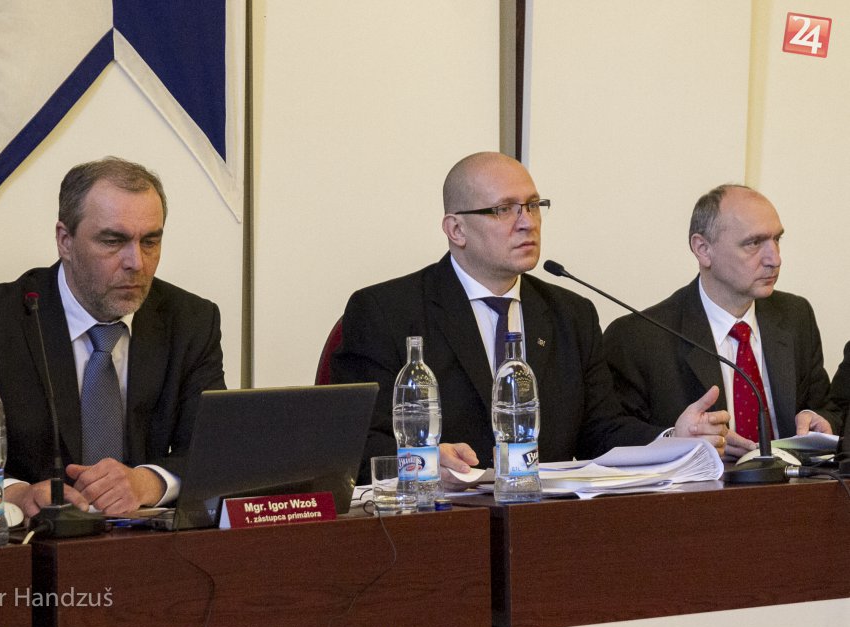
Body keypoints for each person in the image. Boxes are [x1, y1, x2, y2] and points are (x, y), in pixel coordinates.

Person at [331, 151, 729, 484]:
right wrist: (426, 463)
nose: (527, 222)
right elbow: (358, 444)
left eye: (534, 206)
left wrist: (672, 438)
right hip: (439, 521)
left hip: (543, 520)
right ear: (456, 229)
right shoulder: (385, 311)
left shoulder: (571, 313)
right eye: (504, 209)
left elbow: (601, 430)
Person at [0, 157, 226, 517]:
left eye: (150, 242)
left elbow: (216, 452)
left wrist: (148, 482)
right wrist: (16, 495)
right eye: (113, 241)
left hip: (146, 543)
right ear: (65, 241)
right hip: (33, 544)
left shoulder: (191, 321)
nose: (136, 262)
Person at [603, 184, 842, 460]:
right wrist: (674, 439)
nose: (775, 259)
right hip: (699, 487)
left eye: (777, 239)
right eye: (754, 243)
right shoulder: (639, 336)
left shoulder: (795, 316)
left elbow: (828, 408)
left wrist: (819, 421)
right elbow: (606, 438)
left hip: (791, 484)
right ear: (703, 249)